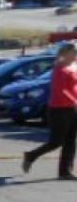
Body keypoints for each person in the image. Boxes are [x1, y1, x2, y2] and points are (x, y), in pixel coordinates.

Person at [22, 42, 77, 179]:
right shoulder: (59, 68)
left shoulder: (74, 66)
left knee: (71, 140)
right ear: (65, 53)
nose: (76, 55)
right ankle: (31, 155)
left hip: (72, 107)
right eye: (74, 52)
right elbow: (61, 90)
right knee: (56, 141)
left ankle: (65, 172)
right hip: (59, 109)